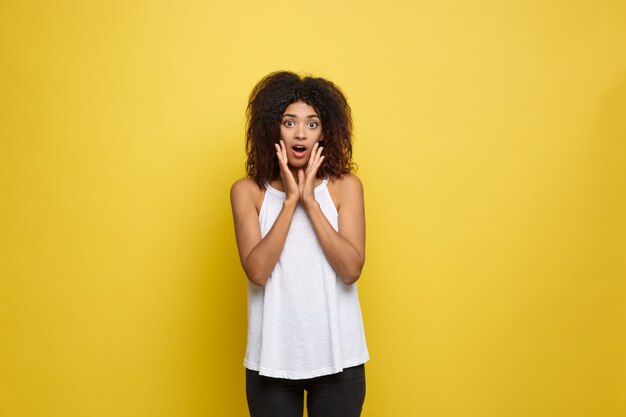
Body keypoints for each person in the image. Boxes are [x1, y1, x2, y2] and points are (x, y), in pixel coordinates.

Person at [230, 71, 369, 417]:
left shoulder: (345, 187)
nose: (300, 133)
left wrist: (311, 200)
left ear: (325, 132)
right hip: (271, 362)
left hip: (340, 360)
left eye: (312, 123)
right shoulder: (247, 192)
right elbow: (257, 272)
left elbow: (351, 270)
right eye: (289, 122)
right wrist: (290, 201)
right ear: (271, 129)